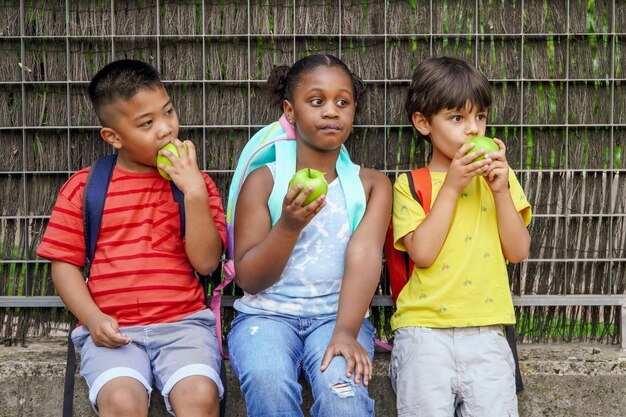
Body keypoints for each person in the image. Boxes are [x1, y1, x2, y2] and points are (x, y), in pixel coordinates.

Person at [37, 59, 226, 417]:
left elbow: (207, 262)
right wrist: (92, 319)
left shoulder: (196, 185)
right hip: (113, 330)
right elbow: (65, 265)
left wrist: (195, 193)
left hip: (183, 325)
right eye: (147, 123)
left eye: (168, 112)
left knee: (200, 397)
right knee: (122, 402)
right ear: (113, 136)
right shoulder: (85, 188)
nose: (166, 129)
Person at [227, 54, 392, 417]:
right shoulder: (264, 181)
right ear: (290, 111)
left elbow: (365, 256)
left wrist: (346, 332)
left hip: (337, 318)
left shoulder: (371, 185)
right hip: (265, 317)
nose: (331, 111)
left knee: (342, 398)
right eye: (317, 101)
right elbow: (250, 279)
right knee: (268, 381)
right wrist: (288, 225)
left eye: (342, 102)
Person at [389, 56, 532, 417]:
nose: (473, 130)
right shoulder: (410, 185)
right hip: (423, 332)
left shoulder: (500, 180)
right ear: (423, 123)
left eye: (480, 117)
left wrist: (500, 192)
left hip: (487, 332)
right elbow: (422, 253)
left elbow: (517, 251)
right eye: (457, 118)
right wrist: (451, 187)